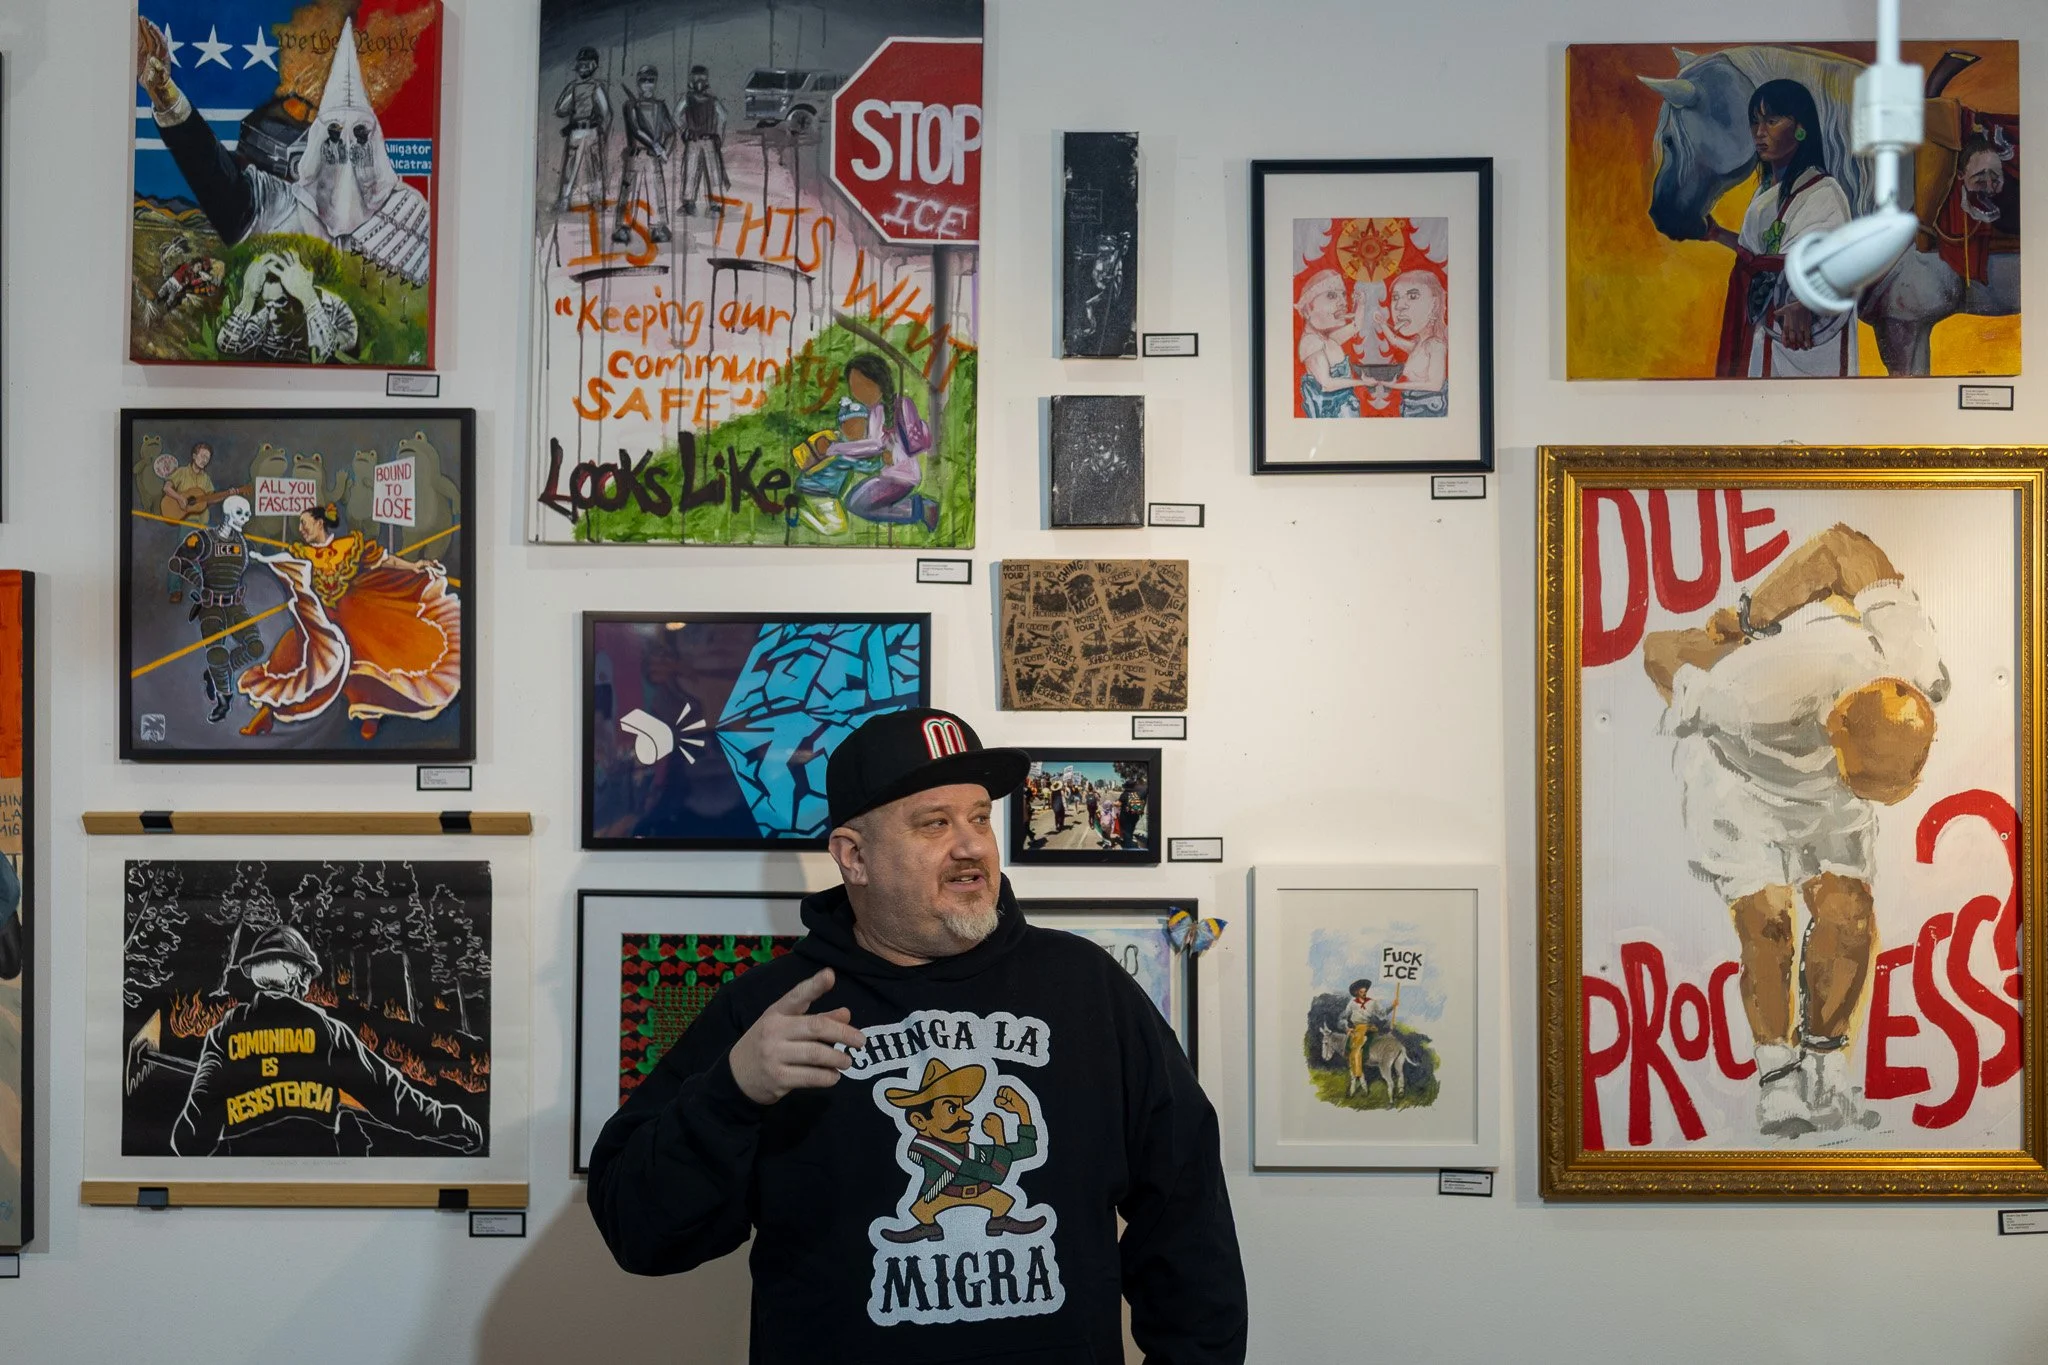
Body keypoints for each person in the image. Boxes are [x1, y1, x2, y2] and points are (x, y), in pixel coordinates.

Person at [589, 707, 1247, 1361]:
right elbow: (640, 1234)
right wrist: (731, 1094)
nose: (972, 846)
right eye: (935, 823)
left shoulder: (1087, 987)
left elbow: (1188, 1220)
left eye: (979, 818)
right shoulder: (774, 1010)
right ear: (855, 857)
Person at [1642, 524, 1948, 1136]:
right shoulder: (1751, 696)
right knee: (1767, 923)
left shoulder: (1917, 665)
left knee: (1849, 914)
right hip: (1738, 784)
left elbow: (1841, 547)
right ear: (1834, 731)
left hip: (1829, 795)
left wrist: (1758, 609)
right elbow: (1657, 652)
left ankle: (1826, 1070)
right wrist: (1738, 625)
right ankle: (1778, 1077)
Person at [135, 17, 431, 289]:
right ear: (318, 141)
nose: (348, 146)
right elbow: (217, 179)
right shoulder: (280, 205)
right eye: (334, 133)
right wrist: (165, 95)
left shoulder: (410, 211)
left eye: (361, 133)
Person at [169, 924, 483, 1156]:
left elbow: (189, 1139)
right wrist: (454, 1122)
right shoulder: (328, 1032)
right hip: (315, 1173)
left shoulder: (224, 1034)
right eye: (306, 976)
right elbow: (393, 1099)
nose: (307, 984)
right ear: (297, 976)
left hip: (247, 1181)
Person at [237, 503, 461, 743]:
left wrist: (413, 566)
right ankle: (267, 713)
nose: (300, 529)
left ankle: (371, 714)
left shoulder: (350, 545)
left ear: (319, 523)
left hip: (355, 613)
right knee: (290, 656)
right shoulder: (302, 553)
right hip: (321, 620)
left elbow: (384, 561)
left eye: (304, 523)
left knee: (369, 663)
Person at [1709, 79, 1857, 378]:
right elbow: (1761, 257)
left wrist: (1805, 303)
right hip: (1758, 323)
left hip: (1800, 340)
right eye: (1755, 122)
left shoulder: (1824, 192)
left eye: (1772, 121)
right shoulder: (1765, 191)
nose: (1759, 132)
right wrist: (1716, 234)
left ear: (1800, 128)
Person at [166, 493, 265, 725]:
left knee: (255, 647)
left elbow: (263, 560)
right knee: (217, 654)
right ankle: (224, 700)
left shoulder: (245, 545)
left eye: (248, 514)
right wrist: (197, 580)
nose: (245, 518)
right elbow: (176, 562)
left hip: (235, 606)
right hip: (211, 607)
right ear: (228, 513)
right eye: (240, 513)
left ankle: (216, 672)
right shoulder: (203, 540)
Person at [218, 250, 359, 365]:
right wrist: (248, 298)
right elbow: (227, 346)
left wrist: (309, 298)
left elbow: (326, 358)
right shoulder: (267, 314)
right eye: (268, 304)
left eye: (282, 303)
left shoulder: (335, 312)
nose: (272, 316)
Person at [1368, 268, 1449, 417]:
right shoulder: (1419, 345)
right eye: (1395, 297)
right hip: (1410, 407)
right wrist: (1383, 324)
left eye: (1412, 296)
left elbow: (1435, 385)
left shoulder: (1435, 346)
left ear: (1435, 304)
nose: (1399, 306)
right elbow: (1394, 340)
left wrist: (1396, 386)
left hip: (1429, 409)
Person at [614, 65, 677, 245]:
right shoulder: (630, 105)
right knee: (630, 190)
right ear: (638, 83)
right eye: (643, 80)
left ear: (655, 83)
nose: (647, 84)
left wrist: (665, 151)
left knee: (655, 190)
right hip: (636, 155)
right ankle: (624, 227)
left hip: (652, 157)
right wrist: (656, 146)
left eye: (651, 80)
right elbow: (636, 130)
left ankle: (657, 227)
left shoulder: (660, 106)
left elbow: (671, 131)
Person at [1294, 268, 1362, 418]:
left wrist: (1361, 304)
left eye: (1343, 295)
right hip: (1332, 415)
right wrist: (1363, 382)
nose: (1343, 303)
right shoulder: (1311, 342)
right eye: (1331, 296)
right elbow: (1326, 384)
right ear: (1308, 309)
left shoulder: (1328, 339)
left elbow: (1356, 325)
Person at [554, 47, 613, 212]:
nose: (584, 67)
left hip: (582, 132)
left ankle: (569, 200)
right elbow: (606, 112)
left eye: (587, 64)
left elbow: (561, 109)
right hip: (586, 132)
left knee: (578, 167)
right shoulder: (592, 87)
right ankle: (592, 200)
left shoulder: (579, 87)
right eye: (582, 64)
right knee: (589, 166)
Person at [679, 64, 730, 215]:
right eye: (696, 77)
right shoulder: (687, 98)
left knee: (713, 172)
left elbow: (724, 116)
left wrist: (718, 135)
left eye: (702, 77)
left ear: (707, 79)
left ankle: (714, 205)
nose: (699, 80)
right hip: (693, 140)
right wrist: (684, 130)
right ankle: (689, 203)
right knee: (690, 171)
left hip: (708, 140)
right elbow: (676, 116)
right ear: (691, 79)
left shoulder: (712, 100)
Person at [1337, 979, 1396, 1098]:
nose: (1364, 993)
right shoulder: (1352, 1003)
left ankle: (1361, 1075)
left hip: (1368, 1028)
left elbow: (1382, 1014)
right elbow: (1343, 1017)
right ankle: (1357, 1078)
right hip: (1356, 1029)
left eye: (1365, 991)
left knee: (1361, 1048)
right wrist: (1347, 1028)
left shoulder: (1373, 1003)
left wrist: (1393, 1006)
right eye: (1361, 991)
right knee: (1349, 1050)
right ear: (1356, 992)